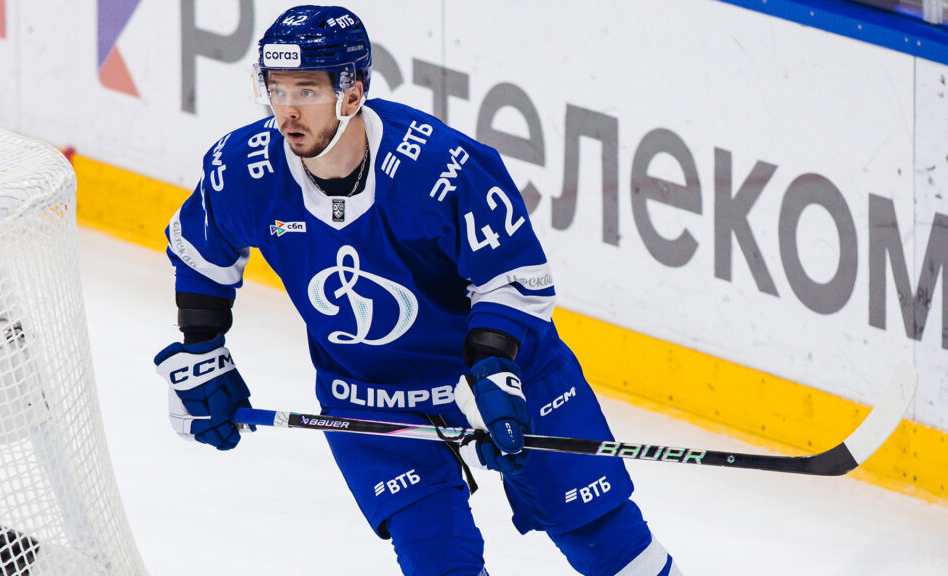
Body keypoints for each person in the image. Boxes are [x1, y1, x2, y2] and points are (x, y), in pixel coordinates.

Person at [154, 5, 681, 575]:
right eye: (276, 90)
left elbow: (513, 277)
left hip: (507, 373)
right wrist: (202, 349)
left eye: (306, 90)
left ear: (352, 93)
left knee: (606, 539)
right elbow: (200, 251)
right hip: (370, 393)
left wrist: (493, 370)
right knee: (438, 562)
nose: (286, 111)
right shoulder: (243, 168)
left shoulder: (441, 167)